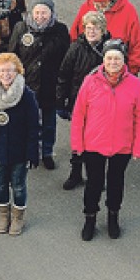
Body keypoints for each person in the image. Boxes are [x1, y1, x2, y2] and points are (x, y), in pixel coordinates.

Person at [70, 40, 140, 241]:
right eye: (109, 58)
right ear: (103, 59)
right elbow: (79, 114)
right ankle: (90, 218)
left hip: (122, 145)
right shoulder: (90, 81)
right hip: (93, 144)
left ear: (124, 61)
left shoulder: (134, 84)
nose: (113, 62)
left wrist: (138, 147)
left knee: (116, 182)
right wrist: (77, 144)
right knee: (93, 183)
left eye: (117, 58)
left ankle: (113, 217)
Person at [0, 53, 41, 235]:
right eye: (2, 70)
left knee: (19, 185)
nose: (6, 74)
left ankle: (18, 218)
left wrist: (33, 153)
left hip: (20, 151)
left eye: (10, 71)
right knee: (0, 185)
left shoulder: (27, 95)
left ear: (17, 72)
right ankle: (4, 216)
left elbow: (34, 126)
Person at [7, 0, 69, 170]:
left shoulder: (60, 30)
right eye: (37, 12)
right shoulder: (20, 28)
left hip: (50, 85)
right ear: (31, 12)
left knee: (49, 123)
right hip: (26, 85)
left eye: (45, 12)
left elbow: (66, 59)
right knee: (25, 122)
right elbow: (12, 56)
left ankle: (47, 152)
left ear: (51, 13)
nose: (40, 16)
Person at [56, 11, 110, 190]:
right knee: (78, 139)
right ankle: (76, 173)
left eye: (95, 28)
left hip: (102, 106)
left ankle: (96, 177)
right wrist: (60, 101)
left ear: (103, 30)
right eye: (88, 28)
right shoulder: (75, 48)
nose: (91, 31)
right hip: (79, 101)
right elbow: (64, 75)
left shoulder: (110, 49)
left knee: (99, 141)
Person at [68, 0, 140, 75]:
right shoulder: (86, 7)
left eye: (103, 3)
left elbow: (136, 43)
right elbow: (74, 36)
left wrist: (132, 70)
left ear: (111, 0)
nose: (99, 7)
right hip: (86, 68)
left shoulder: (129, 12)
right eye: (96, 3)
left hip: (117, 69)